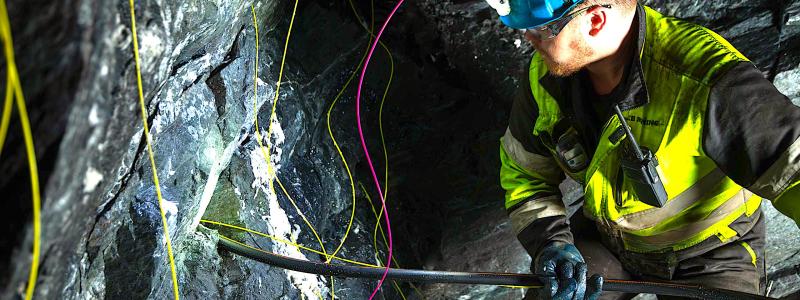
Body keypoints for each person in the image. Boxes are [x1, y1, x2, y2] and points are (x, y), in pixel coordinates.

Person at [487, 0, 800, 299]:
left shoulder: (705, 79)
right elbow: (524, 172)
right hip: (609, 241)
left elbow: (795, 171)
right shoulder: (545, 77)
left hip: (711, 251)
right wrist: (549, 242)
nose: (529, 37)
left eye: (542, 29)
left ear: (595, 21)